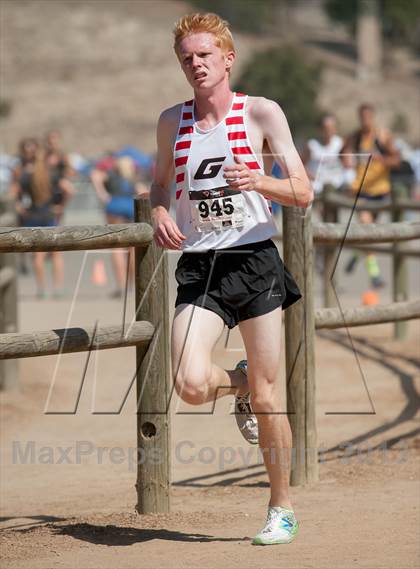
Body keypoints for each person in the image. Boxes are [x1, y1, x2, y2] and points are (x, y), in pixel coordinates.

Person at [150, 13, 312, 545]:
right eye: (186, 58)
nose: (195, 65)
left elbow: (303, 192)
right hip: (200, 265)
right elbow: (158, 187)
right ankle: (239, 382)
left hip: (255, 261)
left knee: (271, 400)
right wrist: (157, 213)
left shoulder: (260, 112)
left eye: (203, 55)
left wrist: (259, 179)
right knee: (190, 383)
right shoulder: (172, 121)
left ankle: (281, 508)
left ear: (227, 58)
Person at [342, 104, 400, 288]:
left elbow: (397, 160)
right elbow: (342, 153)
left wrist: (381, 159)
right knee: (366, 227)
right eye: (362, 117)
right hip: (361, 192)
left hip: (381, 191)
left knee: (368, 235)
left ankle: (357, 253)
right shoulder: (354, 136)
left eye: (368, 117)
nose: (365, 121)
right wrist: (346, 159)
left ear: (373, 117)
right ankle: (375, 275)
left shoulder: (383, 136)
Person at [10, 138, 65, 298]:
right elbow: (67, 188)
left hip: (32, 215)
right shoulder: (48, 170)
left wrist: (19, 207)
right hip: (48, 214)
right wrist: (60, 206)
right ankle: (57, 289)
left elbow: (13, 193)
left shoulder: (22, 172)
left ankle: (41, 290)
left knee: (38, 255)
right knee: (55, 253)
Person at [91, 156, 148, 297]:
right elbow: (144, 191)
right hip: (131, 207)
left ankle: (121, 285)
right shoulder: (132, 178)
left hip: (115, 207)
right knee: (133, 248)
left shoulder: (111, 174)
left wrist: (102, 194)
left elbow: (94, 175)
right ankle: (134, 284)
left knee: (117, 248)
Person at [44, 130, 75, 224]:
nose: (53, 142)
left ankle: (61, 209)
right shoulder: (44, 155)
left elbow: (70, 170)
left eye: (55, 139)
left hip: (59, 180)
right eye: (51, 139)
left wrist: (66, 174)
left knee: (69, 190)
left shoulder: (62, 155)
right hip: (47, 181)